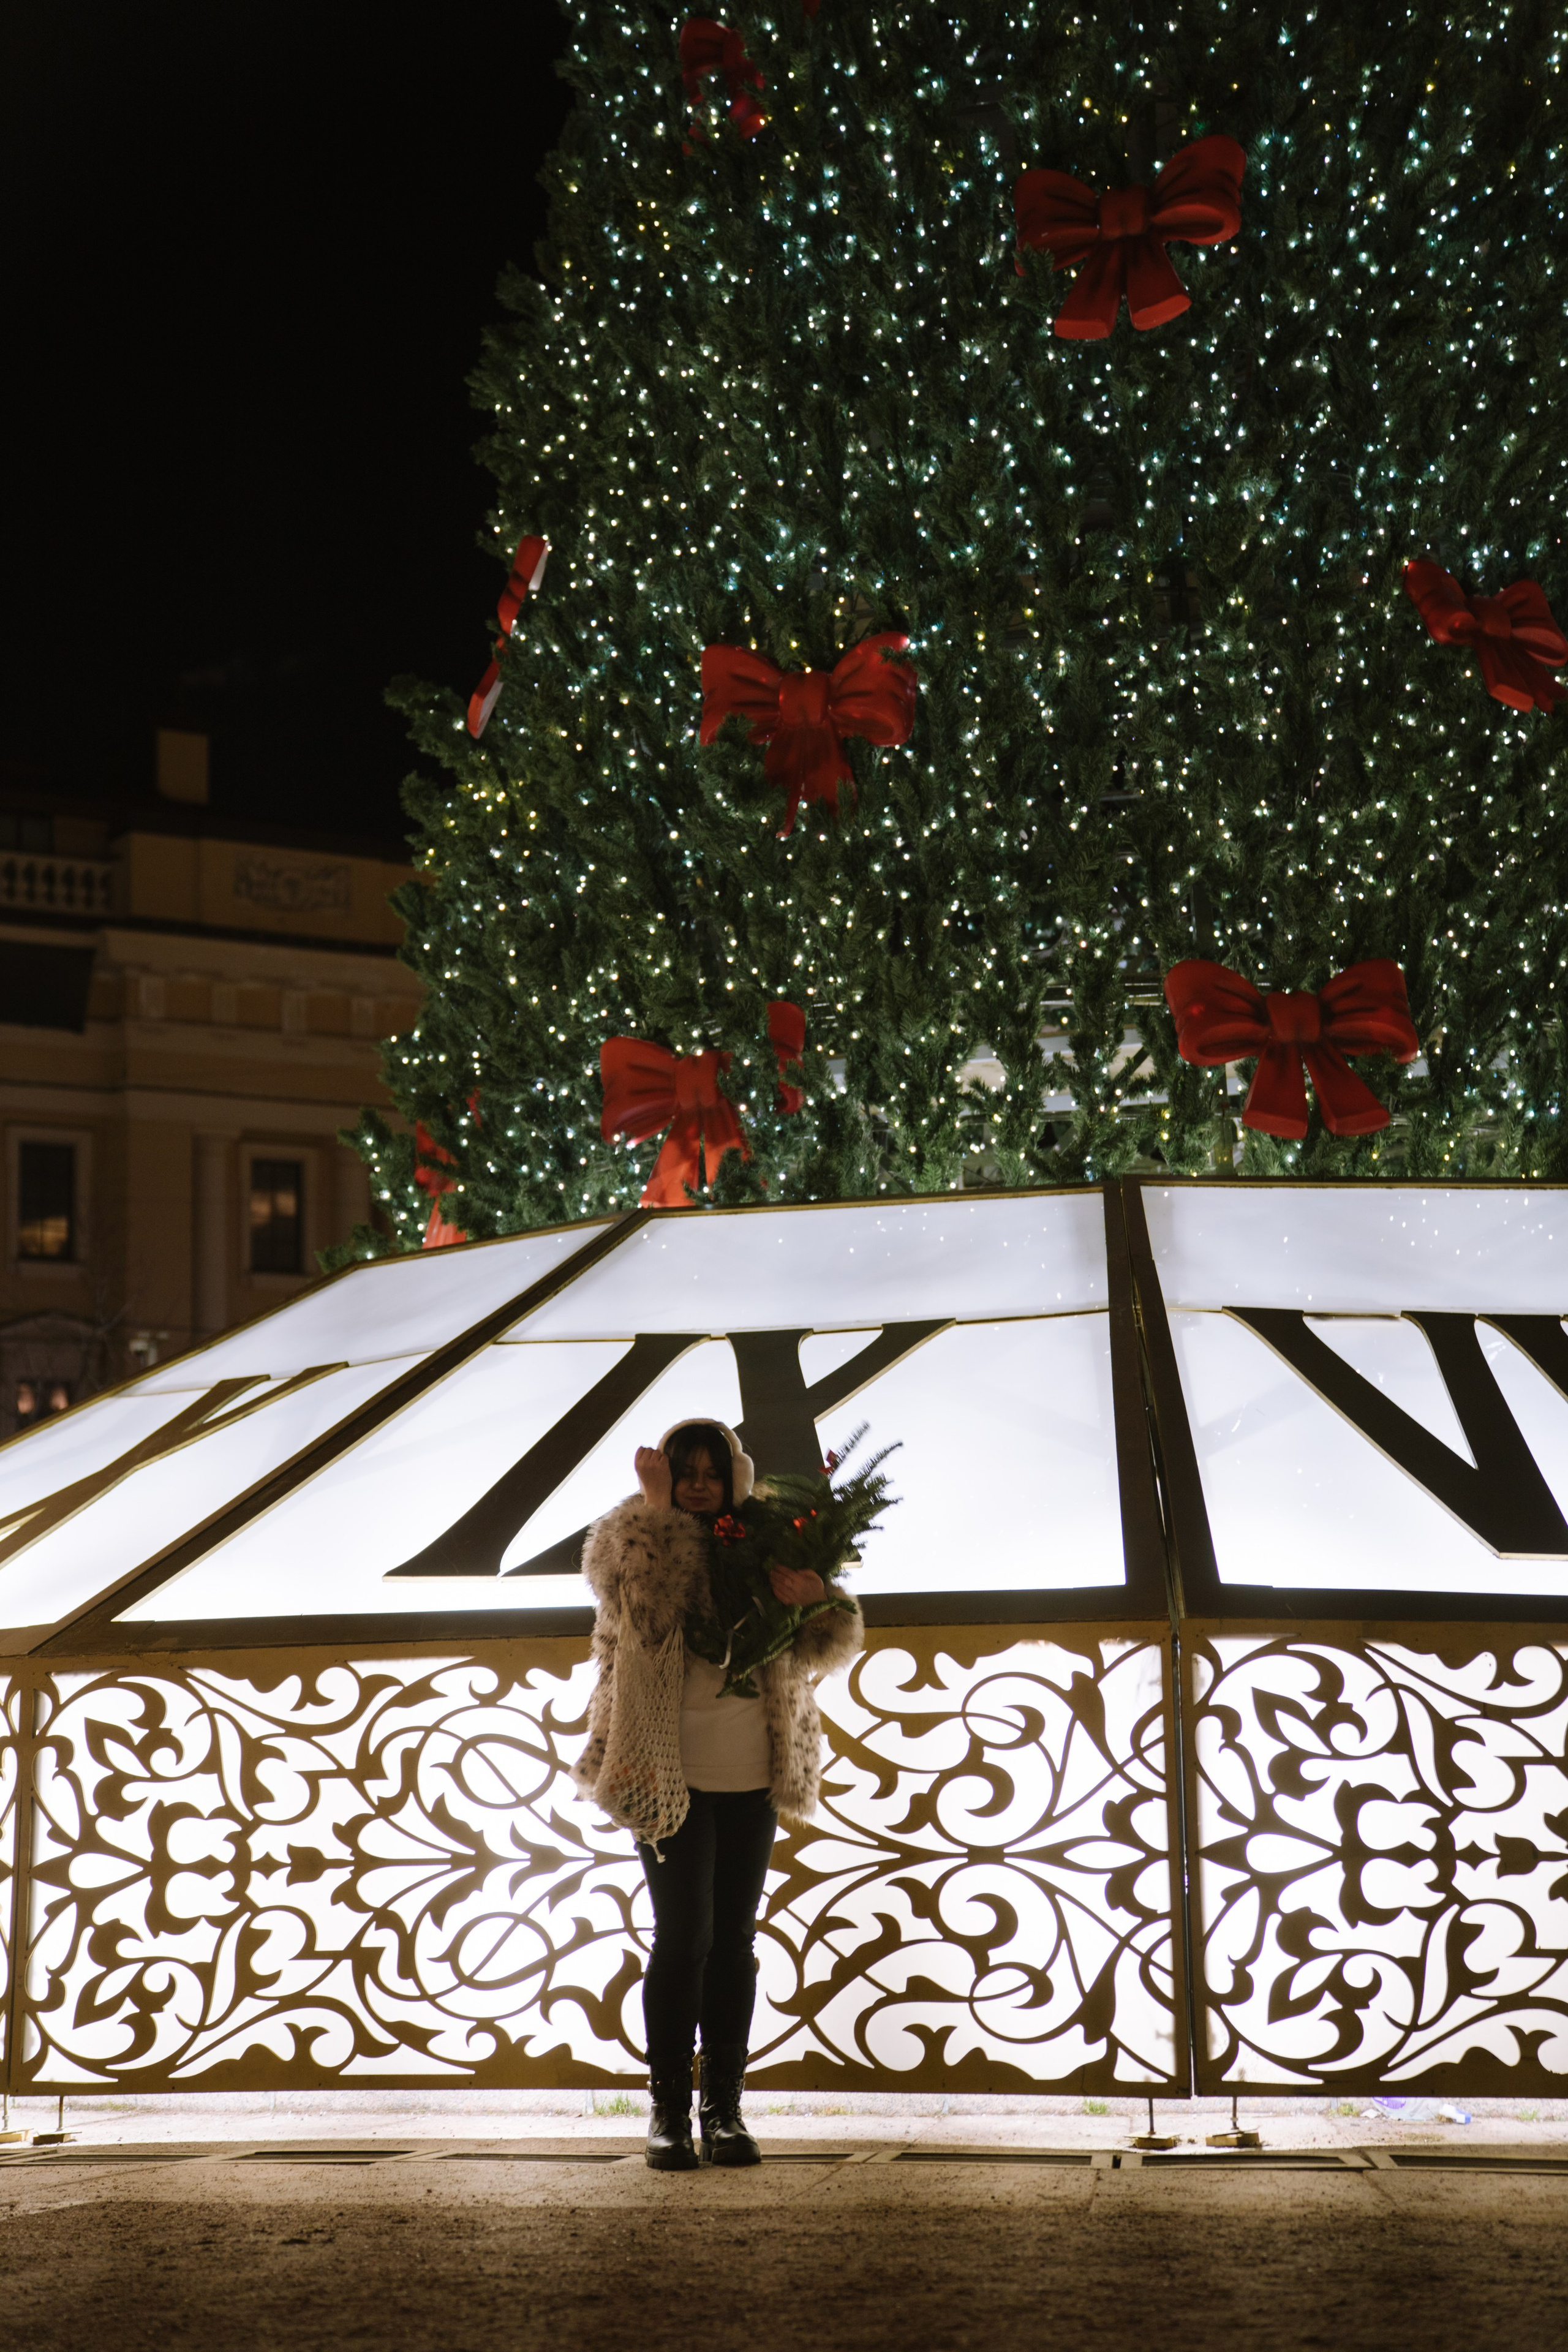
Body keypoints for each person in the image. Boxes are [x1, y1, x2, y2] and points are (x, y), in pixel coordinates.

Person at [572, 1417, 864, 2171]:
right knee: (683, 1939)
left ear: (735, 1475)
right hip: (663, 1770)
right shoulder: (628, 1536)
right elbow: (646, 1609)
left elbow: (823, 1643)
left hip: (754, 1771)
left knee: (734, 1942)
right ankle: (668, 2113)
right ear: (665, 1474)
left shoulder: (769, 1538)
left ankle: (724, 2112)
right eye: (685, 1469)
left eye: (711, 1471)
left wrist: (816, 1596)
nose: (699, 1482)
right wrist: (657, 1506)